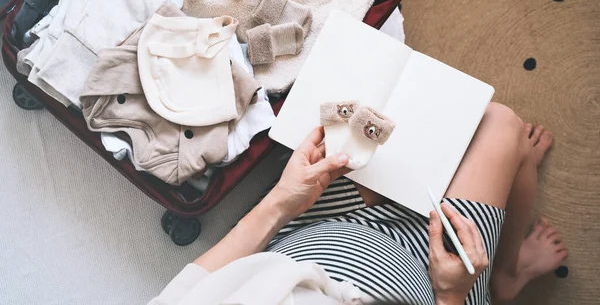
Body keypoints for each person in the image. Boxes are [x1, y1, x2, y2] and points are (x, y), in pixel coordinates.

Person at [149, 103, 567, 305]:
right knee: (500, 123)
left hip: (308, 232)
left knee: (384, 122)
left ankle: (507, 172)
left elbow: (196, 283)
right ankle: (507, 275)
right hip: (430, 281)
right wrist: (452, 294)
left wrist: (281, 201)